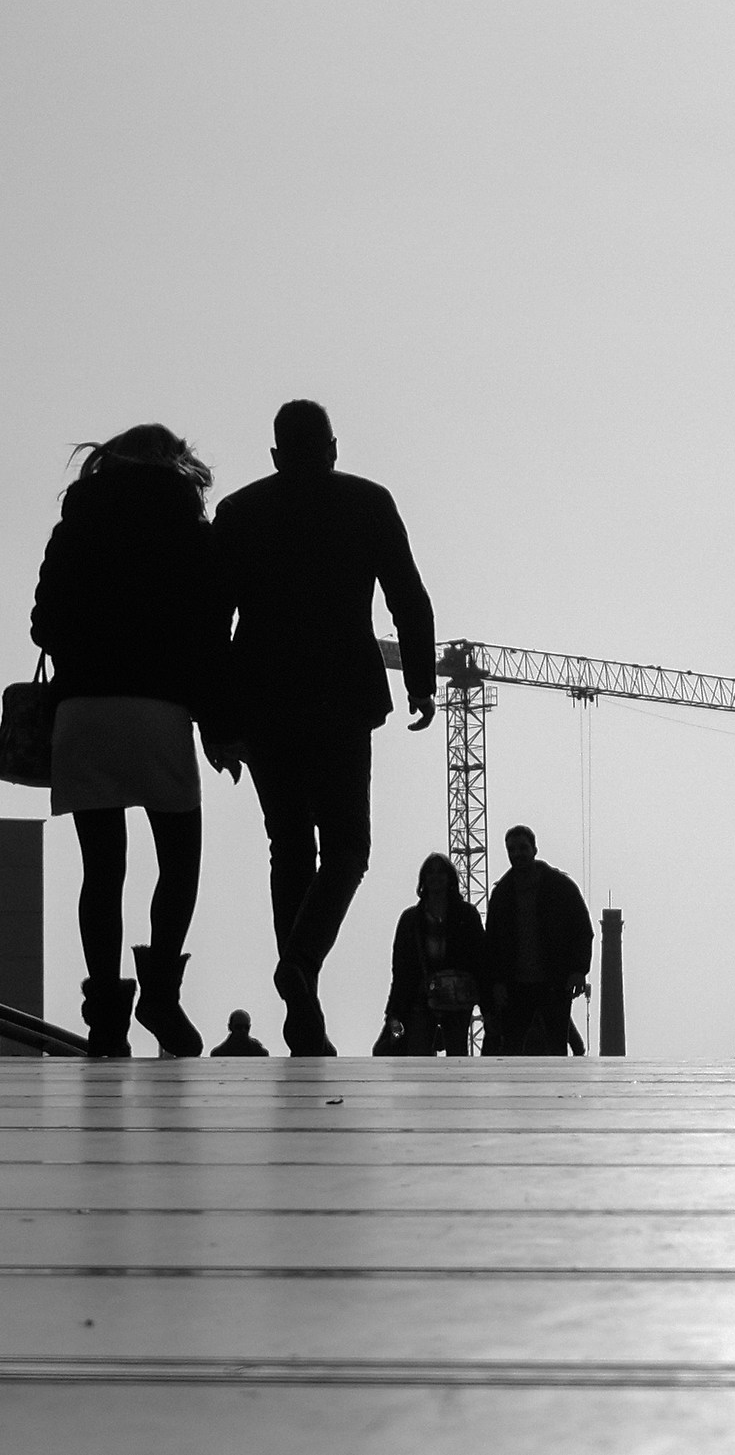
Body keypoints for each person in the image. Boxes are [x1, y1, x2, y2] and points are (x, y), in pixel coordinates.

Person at [213, 400, 436, 1056]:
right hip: (341, 697)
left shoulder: (239, 512)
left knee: (289, 845)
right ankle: (303, 964)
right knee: (347, 847)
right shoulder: (367, 502)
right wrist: (419, 679)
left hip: (264, 701)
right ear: (333, 449)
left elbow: (211, 624)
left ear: (277, 454)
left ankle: (301, 1008)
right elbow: (407, 594)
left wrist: (218, 717)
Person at [30, 424, 239, 1057]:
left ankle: (106, 1020)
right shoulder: (189, 533)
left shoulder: (75, 527)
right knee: (179, 860)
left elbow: (43, 621)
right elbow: (209, 636)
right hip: (157, 712)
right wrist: (218, 727)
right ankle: (161, 995)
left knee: (102, 870)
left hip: (85, 711)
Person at [483, 825, 591, 1055]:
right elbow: (492, 943)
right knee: (512, 1047)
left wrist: (579, 970)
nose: (518, 854)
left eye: (523, 848)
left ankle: (557, 1090)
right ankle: (517, 1091)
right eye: (512, 849)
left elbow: (582, 930)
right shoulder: (502, 894)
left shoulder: (560, 887)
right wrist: (497, 983)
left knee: (556, 1046)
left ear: (534, 849)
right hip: (515, 985)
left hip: (554, 981)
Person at [383, 853, 486, 1056]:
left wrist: (485, 1000)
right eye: (430, 872)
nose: (435, 877)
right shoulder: (410, 919)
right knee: (419, 1057)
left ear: (450, 878)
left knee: (457, 1057)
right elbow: (401, 968)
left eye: (441, 872)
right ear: (423, 879)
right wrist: (393, 1010)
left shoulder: (466, 915)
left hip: (457, 998)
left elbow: (480, 958)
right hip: (421, 997)